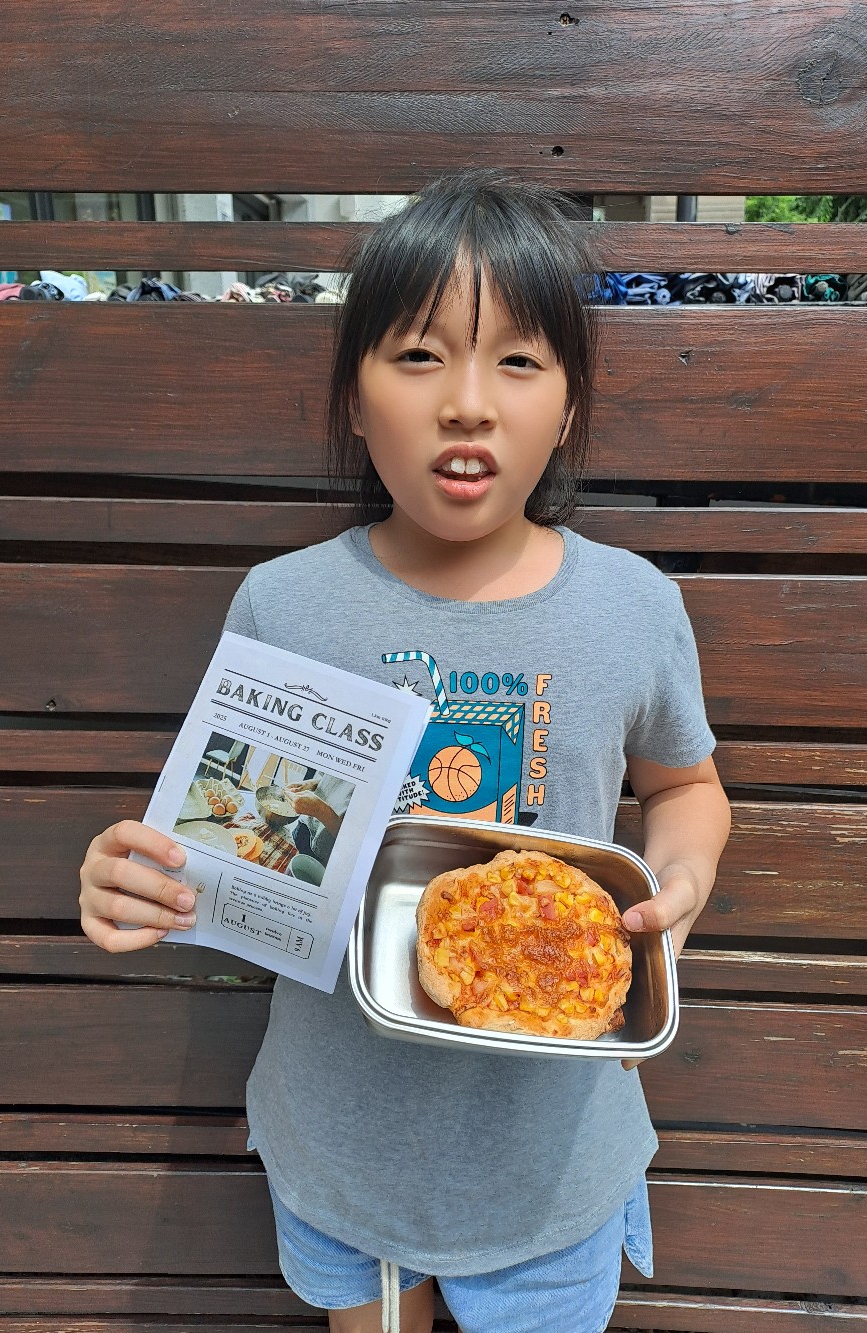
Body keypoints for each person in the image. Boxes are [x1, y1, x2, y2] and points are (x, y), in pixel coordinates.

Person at [78, 169, 732, 1333]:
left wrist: (677, 884)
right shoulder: (284, 605)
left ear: (568, 407)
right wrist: (142, 879)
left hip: (552, 1156)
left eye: (517, 360)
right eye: (420, 355)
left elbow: (685, 785)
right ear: (354, 395)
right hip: (344, 1138)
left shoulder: (633, 607)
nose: (467, 404)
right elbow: (233, 833)